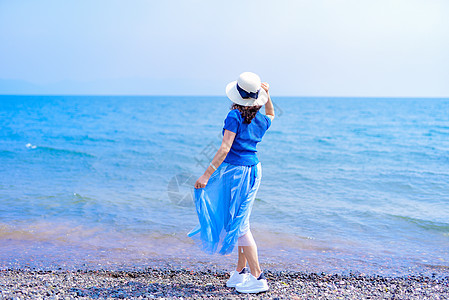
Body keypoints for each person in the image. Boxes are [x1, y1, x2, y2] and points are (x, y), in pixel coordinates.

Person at [188, 72, 275, 294]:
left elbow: (225, 148)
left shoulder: (234, 117)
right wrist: (268, 95)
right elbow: (271, 113)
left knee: (241, 225)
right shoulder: (261, 119)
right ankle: (240, 272)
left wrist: (206, 175)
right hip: (254, 170)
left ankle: (258, 277)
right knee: (239, 220)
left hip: (238, 174)